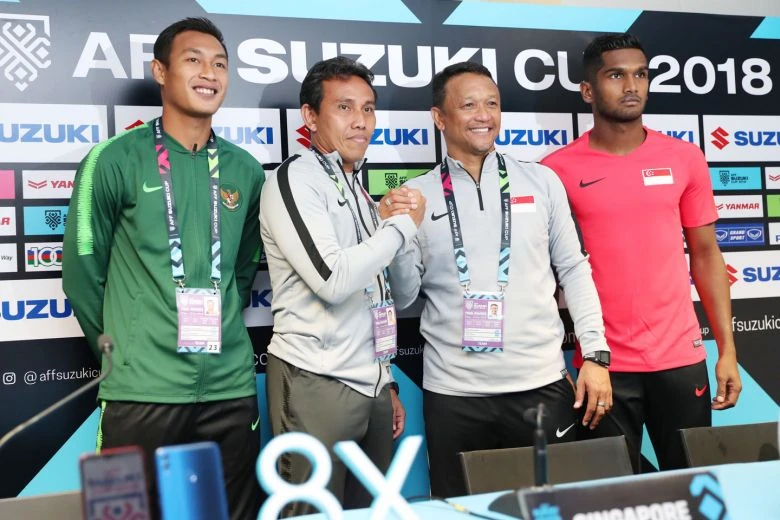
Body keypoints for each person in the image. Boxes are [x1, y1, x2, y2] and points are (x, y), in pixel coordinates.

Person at [62, 18, 264, 519]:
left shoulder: (245, 169)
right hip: (141, 390)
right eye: (193, 60)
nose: (209, 73)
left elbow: (242, 271)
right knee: (126, 513)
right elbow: (82, 270)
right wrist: (128, 347)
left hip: (230, 388)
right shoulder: (113, 159)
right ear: (160, 71)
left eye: (220, 64)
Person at [383, 61, 611, 498]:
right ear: (439, 117)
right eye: (469, 105)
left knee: (550, 507)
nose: (484, 115)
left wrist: (596, 355)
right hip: (454, 395)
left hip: (539, 386)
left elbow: (574, 269)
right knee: (462, 510)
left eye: (492, 104)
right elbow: (405, 296)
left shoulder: (541, 181)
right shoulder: (415, 195)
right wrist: (397, 236)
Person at [541, 33, 741, 471]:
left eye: (641, 74)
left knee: (693, 488)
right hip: (602, 365)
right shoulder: (555, 170)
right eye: (616, 75)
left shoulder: (684, 157)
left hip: (681, 359)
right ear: (588, 90)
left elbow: (706, 255)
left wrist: (727, 350)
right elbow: (543, 276)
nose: (632, 86)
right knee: (609, 495)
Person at [259, 56, 426, 516]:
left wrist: (385, 381)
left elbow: (402, 294)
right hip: (316, 380)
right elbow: (333, 280)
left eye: (368, 109)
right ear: (310, 116)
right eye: (345, 107)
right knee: (312, 513)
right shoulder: (295, 179)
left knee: (368, 512)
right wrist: (402, 228)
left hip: (372, 384)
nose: (360, 121)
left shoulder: (359, 190)